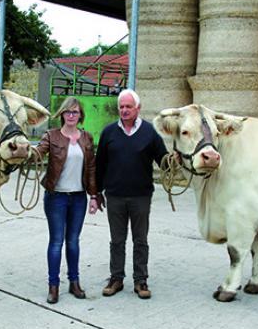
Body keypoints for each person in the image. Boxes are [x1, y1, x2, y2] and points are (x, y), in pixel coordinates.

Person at [95, 89, 168, 300]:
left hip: (141, 197)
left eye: (128, 107)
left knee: (140, 240)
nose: (124, 110)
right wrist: (96, 193)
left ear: (138, 108)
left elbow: (162, 159)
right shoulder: (108, 132)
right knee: (117, 240)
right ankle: (116, 278)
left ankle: (140, 280)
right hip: (115, 196)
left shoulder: (150, 132)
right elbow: (100, 165)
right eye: (121, 107)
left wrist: (174, 160)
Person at [36, 97, 99, 304]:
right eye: (68, 112)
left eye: (75, 112)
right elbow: (37, 154)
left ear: (81, 115)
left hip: (79, 198)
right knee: (56, 242)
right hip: (56, 197)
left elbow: (91, 169)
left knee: (73, 242)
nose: (72, 115)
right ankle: (53, 286)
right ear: (62, 114)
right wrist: (22, 150)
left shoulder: (87, 138)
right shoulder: (51, 136)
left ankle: (74, 283)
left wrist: (94, 196)